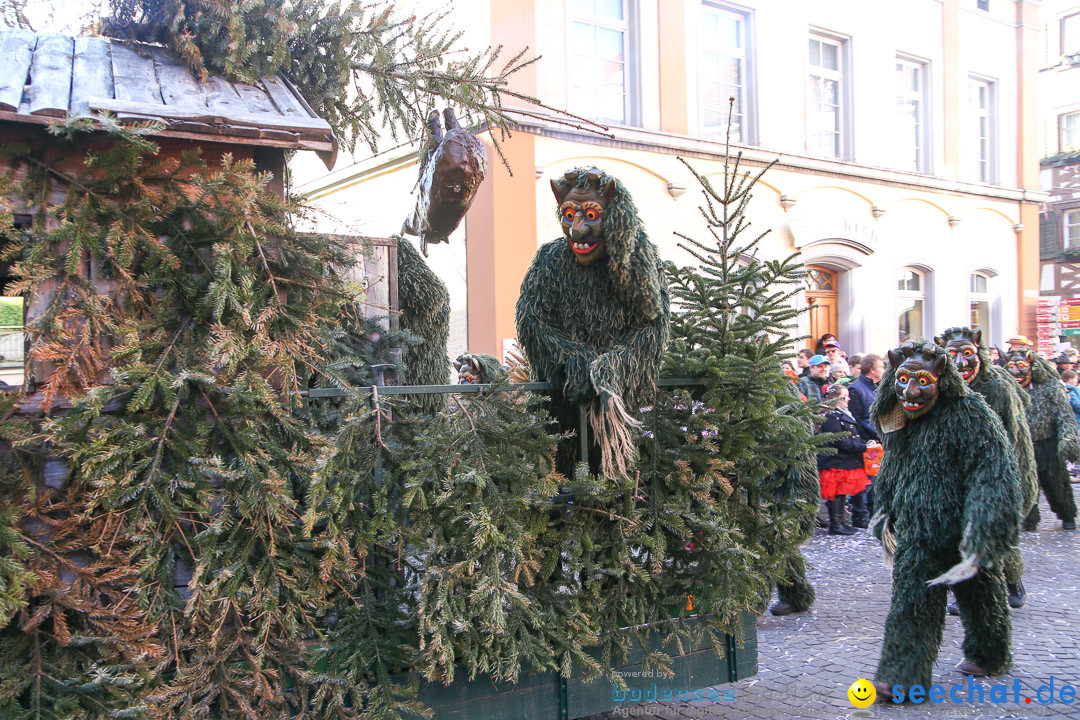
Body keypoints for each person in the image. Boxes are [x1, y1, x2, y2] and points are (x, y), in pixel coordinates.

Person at [817, 385, 870, 536]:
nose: (848, 399)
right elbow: (839, 441)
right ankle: (835, 524)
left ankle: (841, 522)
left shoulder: (842, 415)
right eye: (845, 396)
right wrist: (861, 447)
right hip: (835, 460)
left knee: (842, 493)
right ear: (836, 398)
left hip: (844, 460)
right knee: (836, 493)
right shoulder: (831, 416)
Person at [847, 353, 884, 527]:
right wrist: (877, 435)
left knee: (875, 480)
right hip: (866, 443)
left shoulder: (877, 388)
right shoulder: (857, 389)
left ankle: (873, 513)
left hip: (877, 442)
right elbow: (858, 419)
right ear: (872, 369)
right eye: (882, 366)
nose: (884, 369)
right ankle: (860, 516)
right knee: (864, 482)